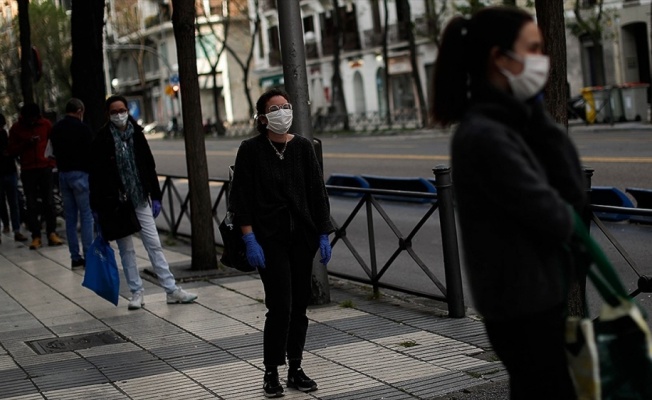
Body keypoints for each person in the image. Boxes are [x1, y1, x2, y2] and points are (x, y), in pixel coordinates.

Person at [431, 7, 586, 400]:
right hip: (522, 306)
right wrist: (539, 116)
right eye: (533, 49)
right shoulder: (485, 134)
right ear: (500, 58)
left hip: (531, 298)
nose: (543, 60)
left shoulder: (507, 121)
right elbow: (560, 210)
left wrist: (534, 111)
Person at [228, 88, 334, 398]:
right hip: (267, 240)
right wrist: (249, 238)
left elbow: (317, 192)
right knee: (281, 306)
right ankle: (271, 371)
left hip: (301, 238)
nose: (282, 111)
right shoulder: (250, 150)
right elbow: (241, 198)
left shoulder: (302, 147)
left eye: (286, 106)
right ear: (262, 118)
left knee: (299, 306)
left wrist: (323, 233)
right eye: (275, 108)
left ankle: (295, 368)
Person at [89, 95, 197, 310]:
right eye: (114, 112)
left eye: (122, 110)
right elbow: (96, 177)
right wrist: (98, 209)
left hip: (140, 199)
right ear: (107, 114)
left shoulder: (137, 134)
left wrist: (155, 196)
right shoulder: (101, 139)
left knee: (154, 244)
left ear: (128, 110)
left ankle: (171, 289)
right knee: (126, 249)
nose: (119, 115)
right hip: (116, 204)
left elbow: (149, 166)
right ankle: (136, 292)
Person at [8, 103, 64, 250]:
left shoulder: (45, 124)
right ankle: (36, 235)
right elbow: (11, 150)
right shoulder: (17, 128)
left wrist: (51, 162)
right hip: (28, 169)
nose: (32, 121)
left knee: (49, 202)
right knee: (31, 204)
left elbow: (54, 143)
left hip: (45, 167)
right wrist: (26, 144)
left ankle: (51, 232)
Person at [50, 98, 94, 269]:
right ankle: (89, 255)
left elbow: (51, 152)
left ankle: (75, 257)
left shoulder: (56, 128)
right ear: (79, 111)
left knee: (70, 218)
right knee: (86, 216)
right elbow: (90, 152)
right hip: (81, 175)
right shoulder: (82, 129)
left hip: (63, 175)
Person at [0, 113, 28, 243]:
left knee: (9, 202)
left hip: (8, 171)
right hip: (9, 171)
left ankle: (9, 226)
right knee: (13, 202)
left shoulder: (8, 136)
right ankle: (14, 228)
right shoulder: (8, 135)